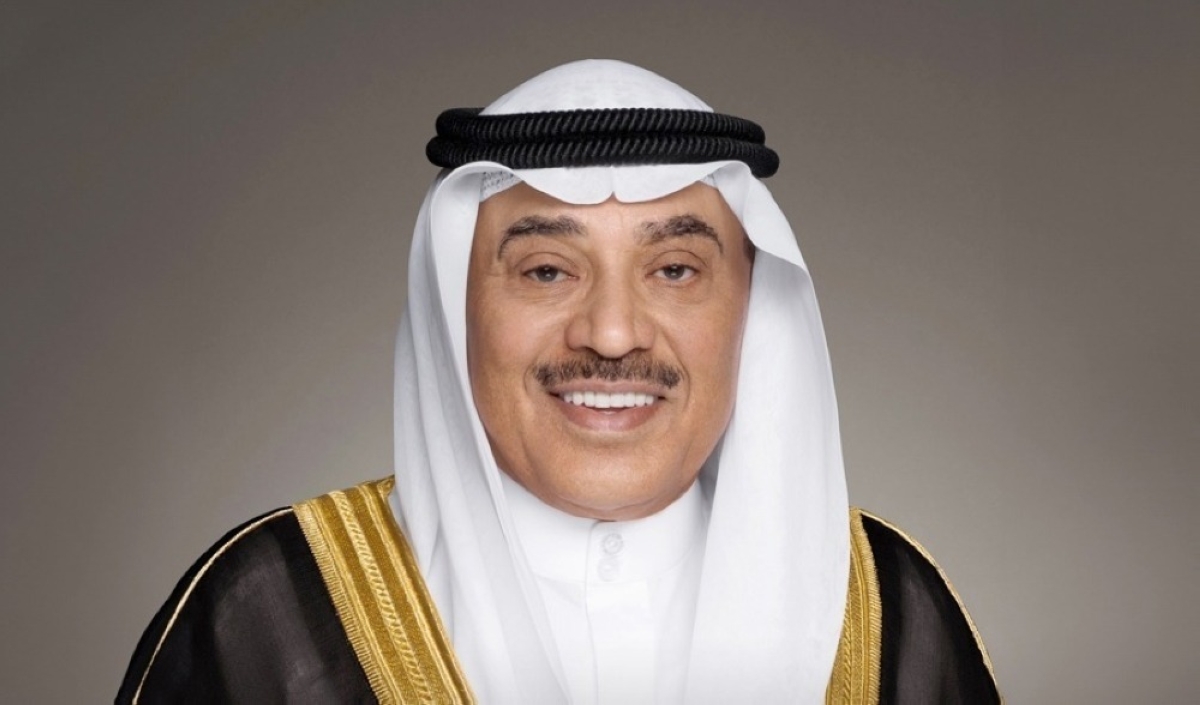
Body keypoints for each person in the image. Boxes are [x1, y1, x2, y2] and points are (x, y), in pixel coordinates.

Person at [117, 60, 1000, 704]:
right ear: (457, 305)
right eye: (546, 271)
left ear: (750, 307)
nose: (611, 334)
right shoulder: (268, 608)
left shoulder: (887, 609)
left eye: (676, 270)